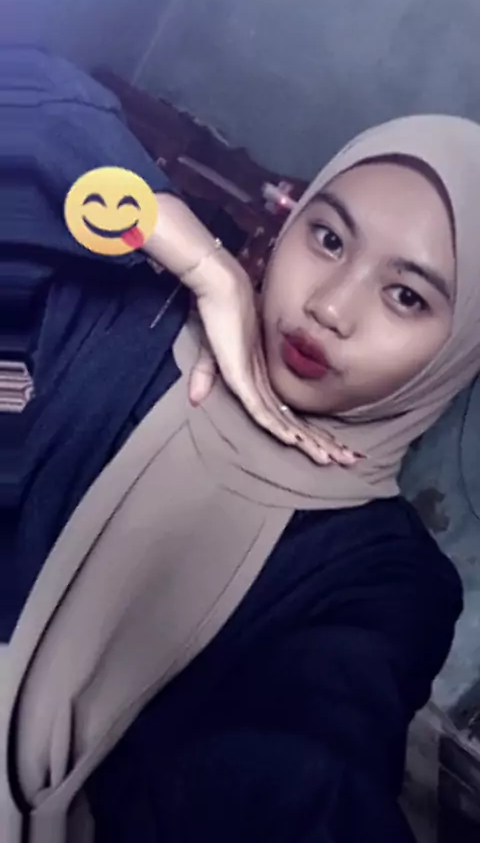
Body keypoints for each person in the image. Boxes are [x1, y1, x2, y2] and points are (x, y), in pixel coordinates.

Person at [2, 47, 480, 843]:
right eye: (328, 238)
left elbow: (312, 765)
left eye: (406, 295)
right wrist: (204, 264)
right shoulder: (120, 326)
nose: (330, 308)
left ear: (460, 352)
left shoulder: (386, 582)